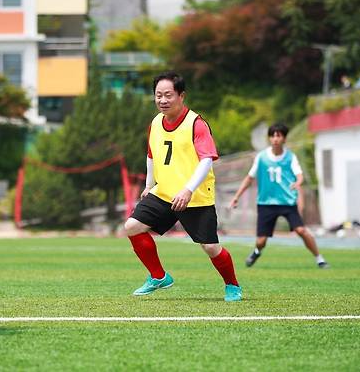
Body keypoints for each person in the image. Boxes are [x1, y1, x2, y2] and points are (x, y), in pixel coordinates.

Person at [124, 72, 242, 302]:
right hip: (165, 192)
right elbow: (151, 154)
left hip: (195, 196)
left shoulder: (196, 124)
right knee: (132, 227)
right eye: (158, 95)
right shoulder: (156, 123)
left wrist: (188, 189)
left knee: (210, 247)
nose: (162, 100)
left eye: (168, 95)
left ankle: (232, 285)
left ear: (181, 96)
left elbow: (207, 159)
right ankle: (158, 277)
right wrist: (149, 185)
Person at [229, 123, 329, 269]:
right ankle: (257, 251)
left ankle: (320, 259)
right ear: (270, 138)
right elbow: (249, 178)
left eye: (279, 135)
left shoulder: (290, 157)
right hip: (266, 203)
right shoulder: (262, 157)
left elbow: (299, 175)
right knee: (261, 241)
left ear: (284, 139)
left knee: (301, 230)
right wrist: (237, 196)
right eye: (273, 135)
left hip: (287, 202)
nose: (275, 138)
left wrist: (298, 182)